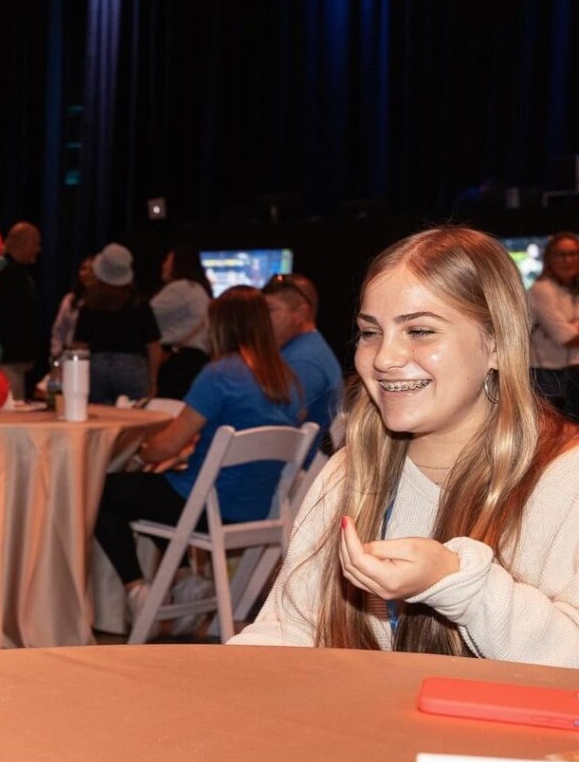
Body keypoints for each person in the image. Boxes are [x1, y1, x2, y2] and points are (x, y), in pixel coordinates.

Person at [233, 226, 579, 666]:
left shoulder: (566, 477)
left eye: (419, 331)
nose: (383, 358)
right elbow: (291, 627)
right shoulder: (350, 471)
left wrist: (458, 582)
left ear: (496, 344)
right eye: (370, 332)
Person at [94, 286, 302, 623]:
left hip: (208, 505)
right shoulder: (287, 380)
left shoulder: (220, 374)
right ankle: (184, 580)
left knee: (103, 492)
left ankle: (138, 591)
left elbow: (166, 446)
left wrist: (144, 452)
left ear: (221, 326)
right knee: (151, 490)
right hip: (255, 508)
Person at [261, 272, 344, 455]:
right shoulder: (303, 350)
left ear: (300, 312)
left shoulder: (304, 362)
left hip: (290, 472)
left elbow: (274, 429)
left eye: (270, 310)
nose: (261, 320)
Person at [73, 243, 161, 404]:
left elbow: (80, 344)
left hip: (97, 366)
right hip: (132, 366)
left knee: (99, 417)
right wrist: (153, 380)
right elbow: (153, 344)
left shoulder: (90, 304)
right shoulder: (138, 303)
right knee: (135, 418)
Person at [0, 220, 43, 400]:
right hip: (5, 360)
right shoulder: (0, 271)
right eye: (36, 243)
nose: (38, 249)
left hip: (13, 359)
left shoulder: (15, 271)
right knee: (9, 410)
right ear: (23, 242)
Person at [527, 231, 579, 421]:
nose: (568, 260)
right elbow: (565, 338)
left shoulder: (573, 289)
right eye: (561, 254)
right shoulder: (541, 290)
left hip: (571, 372)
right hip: (545, 374)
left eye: (573, 254)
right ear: (549, 259)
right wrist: (572, 330)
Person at [150, 245, 212, 399]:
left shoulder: (180, 288)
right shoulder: (198, 289)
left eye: (168, 260)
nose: (163, 265)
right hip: (195, 358)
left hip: (177, 360)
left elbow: (147, 315)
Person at [49, 255, 95, 360]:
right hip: (70, 355)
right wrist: (56, 353)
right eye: (84, 269)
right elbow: (58, 329)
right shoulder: (70, 299)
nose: (87, 273)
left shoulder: (104, 302)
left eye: (92, 270)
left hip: (95, 358)